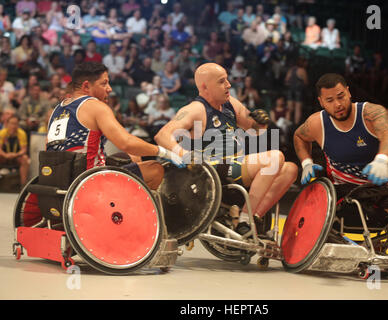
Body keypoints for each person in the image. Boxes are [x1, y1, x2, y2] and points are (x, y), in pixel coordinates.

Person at [155, 63, 298, 235]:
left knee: (290, 169)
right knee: (274, 158)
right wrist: (185, 155)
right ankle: (245, 220)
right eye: (222, 81)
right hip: (214, 171)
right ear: (204, 87)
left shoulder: (230, 104)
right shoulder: (195, 109)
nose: (228, 85)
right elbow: (162, 136)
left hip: (237, 165)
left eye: (227, 80)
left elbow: (256, 129)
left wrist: (261, 121)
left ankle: (255, 218)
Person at [46, 62, 183, 191]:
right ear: (86, 86)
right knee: (154, 169)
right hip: (89, 180)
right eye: (104, 83)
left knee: (133, 156)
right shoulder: (95, 106)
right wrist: (164, 152)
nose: (109, 89)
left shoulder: (57, 110)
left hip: (59, 179)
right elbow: (126, 142)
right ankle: (126, 213)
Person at [293, 73, 388, 219]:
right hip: (340, 189)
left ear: (348, 92)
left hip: (375, 186)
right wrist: (306, 163)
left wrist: (382, 159)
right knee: (315, 206)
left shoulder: (371, 112)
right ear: (321, 102)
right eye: (330, 100)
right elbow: (299, 136)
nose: (338, 104)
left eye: (341, 96)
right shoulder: (317, 123)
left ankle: (374, 225)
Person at [0, 115, 30, 186]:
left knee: (25, 159)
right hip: (4, 157)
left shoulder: (21, 133)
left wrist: (15, 155)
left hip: (16, 157)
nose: (13, 126)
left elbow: (24, 150)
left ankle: (23, 185)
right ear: (7, 124)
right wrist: (5, 155)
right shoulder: (2, 133)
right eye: (11, 123)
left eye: (15, 124)